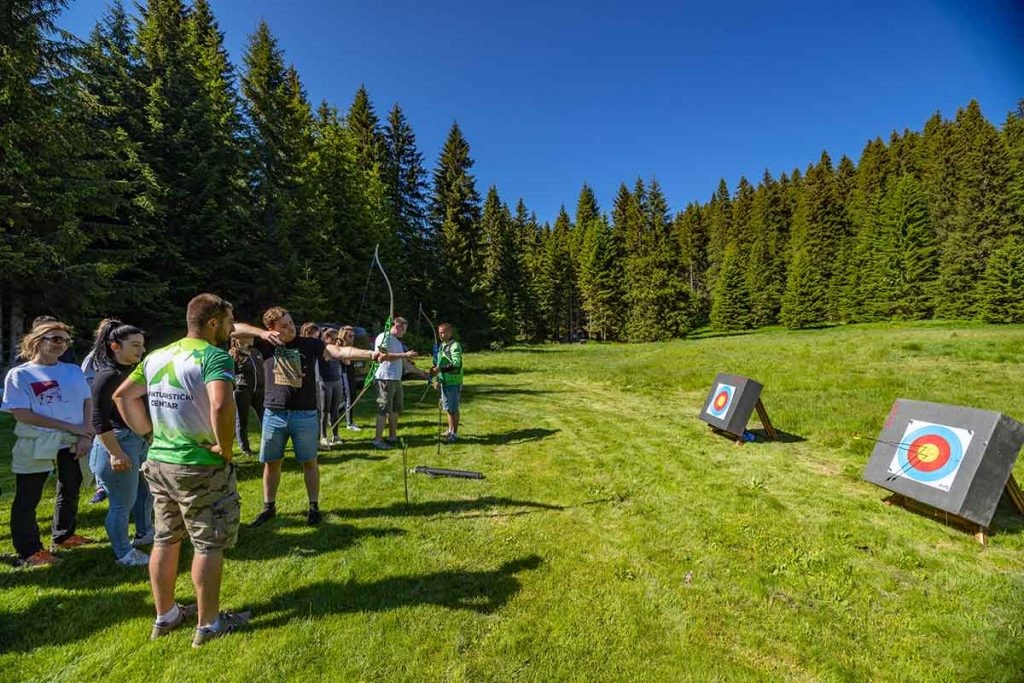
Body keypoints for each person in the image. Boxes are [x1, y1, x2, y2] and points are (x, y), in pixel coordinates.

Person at [113, 293, 248, 647]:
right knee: (208, 542)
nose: (232, 328)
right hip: (199, 466)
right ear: (213, 323)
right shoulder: (214, 357)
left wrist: (148, 434)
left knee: (165, 537)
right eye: (229, 322)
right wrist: (225, 448)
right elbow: (221, 404)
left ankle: (165, 614)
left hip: (160, 461)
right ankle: (209, 624)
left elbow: (123, 397)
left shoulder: (157, 356)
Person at [233, 307, 389, 528]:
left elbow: (339, 352)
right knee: (271, 464)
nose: (291, 327)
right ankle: (269, 507)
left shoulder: (309, 343)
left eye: (291, 321)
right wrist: (261, 334)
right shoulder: (266, 343)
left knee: (309, 462)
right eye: (284, 325)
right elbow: (232, 329)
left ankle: (313, 507)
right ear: (272, 329)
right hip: (274, 413)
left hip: (304, 414)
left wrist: (371, 354)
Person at [2, 319, 94, 567]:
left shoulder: (73, 370)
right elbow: (22, 413)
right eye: (54, 339)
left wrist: (85, 434)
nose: (61, 344)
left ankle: (64, 535)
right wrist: (73, 428)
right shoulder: (20, 374)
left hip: (74, 439)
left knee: (71, 487)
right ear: (37, 340)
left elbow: (87, 401)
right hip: (37, 440)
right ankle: (30, 551)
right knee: (28, 496)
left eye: (65, 340)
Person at [88, 319, 153, 566]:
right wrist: (115, 453)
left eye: (143, 345)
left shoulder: (133, 372)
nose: (142, 350)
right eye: (135, 345)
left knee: (146, 491)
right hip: (118, 442)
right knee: (121, 503)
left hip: (139, 440)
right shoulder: (107, 376)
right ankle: (124, 554)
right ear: (115, 346)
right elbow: (98, 420)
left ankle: (145, 533)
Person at [371, 316, 431, 450]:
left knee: (395, 409)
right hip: (385, 378)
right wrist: (405, 355)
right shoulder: (384, 337)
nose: (405, 332)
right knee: (383, 409)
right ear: (397, 326)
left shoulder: (397, 342)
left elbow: (405, 364)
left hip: (396, 379)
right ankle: (377, 440)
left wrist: (422, 373)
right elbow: (383, 356)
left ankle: (392, 437)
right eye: (404, 329)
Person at [229, 337, 264, 457]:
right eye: (248, 336)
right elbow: (229, 373)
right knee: (242, 420)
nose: (252, 338)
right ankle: (245, 448)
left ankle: (269, 443)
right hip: (242, 390)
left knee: (265, 417)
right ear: (239, 339)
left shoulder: (256, 352)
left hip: (258, 390)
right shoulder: (233, 354)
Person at [432, 322, 465, 444]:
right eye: (440, 332)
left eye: (444, 332)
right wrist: (437, 377)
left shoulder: (454, 346)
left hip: (453, 381)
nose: (441, 334)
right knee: (447, 408)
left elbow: (456, 364)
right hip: (444, 381)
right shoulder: (442, 345)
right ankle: (450, 430)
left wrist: (441, 369)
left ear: (450, 332)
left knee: (453, 409)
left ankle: (454, 433)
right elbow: (439, 362)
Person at [319, 328, 345, 447]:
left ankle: (335, 435)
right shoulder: (323, 348)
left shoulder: (337, 349)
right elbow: (327, 358)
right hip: (325, 382)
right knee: (325, 411)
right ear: (326, 338)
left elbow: (347, 361)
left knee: (335, 410)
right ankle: (323, 436)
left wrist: (341, 348)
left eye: (336, 338)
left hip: (337, 381)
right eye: (333, 338)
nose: (335, 341)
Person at [337, 325, 361, 431]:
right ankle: (349, 423)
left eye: (353, 335)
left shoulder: (350, 346)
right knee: (349, 398)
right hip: (343, 374)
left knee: (353, 397)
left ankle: (333, 413)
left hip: (351, 373)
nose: (352, 337)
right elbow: (346, 361)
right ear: (344, 335)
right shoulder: (340, 346)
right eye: (350, 335)